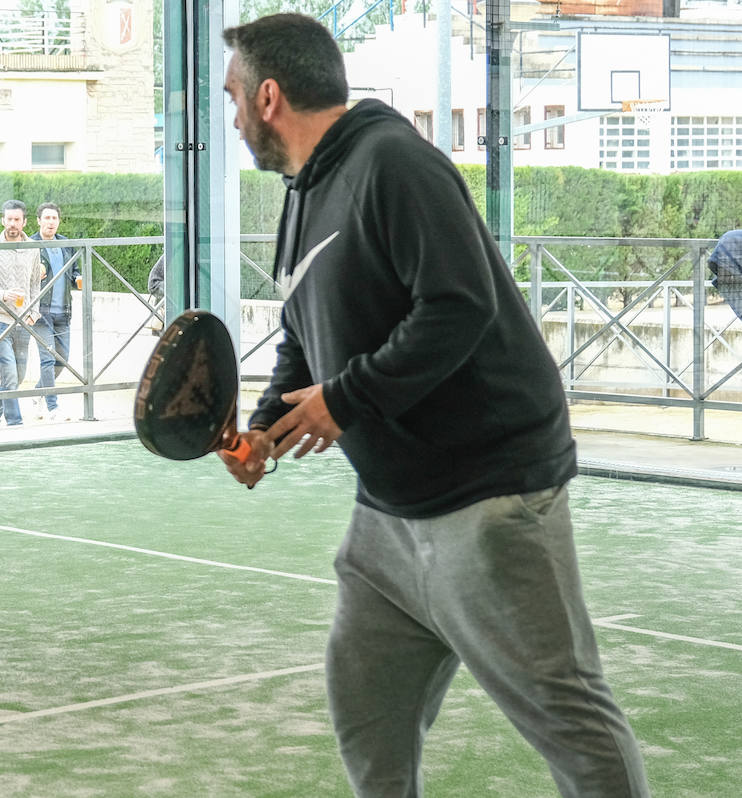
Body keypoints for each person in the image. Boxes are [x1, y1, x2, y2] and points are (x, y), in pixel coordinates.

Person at [219, 14, 650, 797]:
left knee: (566, 714)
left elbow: (459, 306)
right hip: (387, 520)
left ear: (270, 96)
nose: (234, 116)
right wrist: (264, 432)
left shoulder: (394, 164)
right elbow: (303, 331)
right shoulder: (302, 194)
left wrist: (344, 401)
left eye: (235, 98)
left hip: (489, 498)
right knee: (367, 712)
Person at [0, 199, 42, 427]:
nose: (13, 224)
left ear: (24, 221)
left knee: (18, 376)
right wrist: (2, 294)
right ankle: (15, 423)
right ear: (3, 220)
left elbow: (35, 284)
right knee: (10, 374)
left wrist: (34, 311)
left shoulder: (33, 247)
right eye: (9, 219)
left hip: (24, 320)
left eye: (17, 219)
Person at [30, 202, 79, 420]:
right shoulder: (30, 244)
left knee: (62, 359)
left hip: (63, 311)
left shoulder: (66, 244)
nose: (51, 222)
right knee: (47, 359)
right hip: (40, 312)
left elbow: (75, 269)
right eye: (47, 218)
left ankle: (39, 392)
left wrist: (79, 277)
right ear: (38, 220)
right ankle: (53, 408)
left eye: (54, 218)